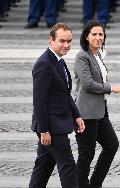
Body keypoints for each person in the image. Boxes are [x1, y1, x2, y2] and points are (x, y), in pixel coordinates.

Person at [29, 23, 85, 188]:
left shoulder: (58, 60)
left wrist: (77, 115)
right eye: (62, 41)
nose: (66, 45)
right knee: (68, 166)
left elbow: (64, 93)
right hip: (52, 128)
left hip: (57, 124)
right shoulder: (44, 64)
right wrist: (44, 130)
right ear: (51, 40)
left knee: (44, 165)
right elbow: (39, 102)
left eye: (69, 41)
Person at [74, 20, 120, 188]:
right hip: (86, 113)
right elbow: (88, 84)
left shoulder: (97, 55)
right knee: (86, 154)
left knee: (111, 145)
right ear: (87, 37)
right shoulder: (82, 56)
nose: (98, 37)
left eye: (100, 34)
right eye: (94, 34)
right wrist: (112, 88)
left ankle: (94, 184)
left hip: (100, 112)